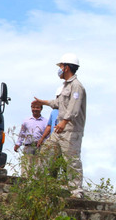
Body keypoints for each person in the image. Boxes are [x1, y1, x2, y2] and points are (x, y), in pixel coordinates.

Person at [32, 53, 86, 197]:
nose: (59, 69)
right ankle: (37, 184)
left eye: (61, 66)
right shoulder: (65, 86)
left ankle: (76, 191)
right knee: (46, 152)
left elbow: (74, 108)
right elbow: (58, 104)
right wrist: (43, 102)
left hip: (71, 131)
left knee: (72, 160)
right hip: (59, 129)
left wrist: (64, 121)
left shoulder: (76, 86)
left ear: (66, 68)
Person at [14, 103, 47, 169]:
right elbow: (22, 133)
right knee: (27, 166)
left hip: (40, 147)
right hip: (28, 146)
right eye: (33, 107)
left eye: (37, 107)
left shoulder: (45, 121)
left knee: (39, 167)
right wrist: (18, 144)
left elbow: (47, 135)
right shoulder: (26, 121)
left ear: (41, 109)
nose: (35, 109)